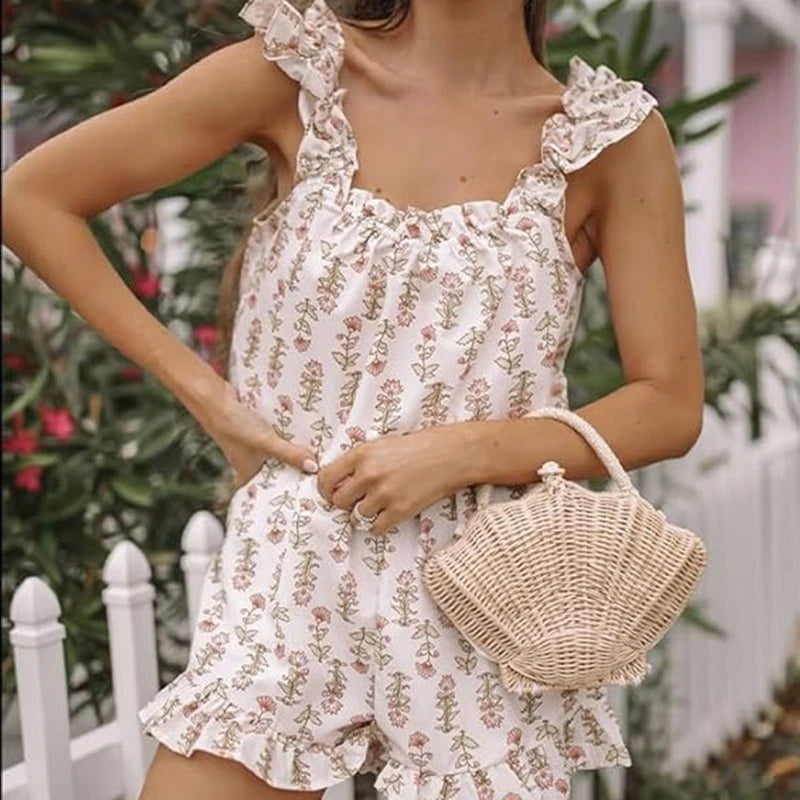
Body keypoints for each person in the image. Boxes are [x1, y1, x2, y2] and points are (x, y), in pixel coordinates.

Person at [1, 0, 705, 798]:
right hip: (289, 576)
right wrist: (210, 400)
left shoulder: (603, 138)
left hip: (483, 596)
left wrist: (465, 451)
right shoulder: (297, 73)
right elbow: (33, 197)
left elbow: (669, 401)